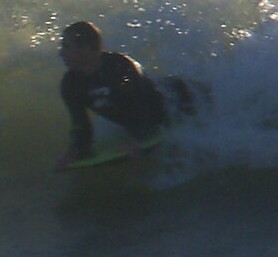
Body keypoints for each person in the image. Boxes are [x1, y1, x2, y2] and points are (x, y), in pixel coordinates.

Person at [52, 20, 187, 170]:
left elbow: (143, 107)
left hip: (180, 97)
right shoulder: (71, 84)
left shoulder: (121, 67)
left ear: (86, 48)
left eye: (66, 47)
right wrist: (74, 152)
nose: (61, 53)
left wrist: (137, 137)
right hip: (149, 116)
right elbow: (81, 125)